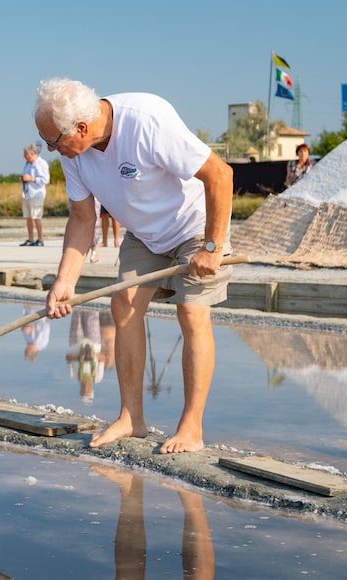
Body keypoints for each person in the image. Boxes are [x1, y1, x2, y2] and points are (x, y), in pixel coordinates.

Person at [35, 77, 234, 454]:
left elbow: (220, 175)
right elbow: (81, 218)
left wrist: (212, 247)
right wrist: (65, 281)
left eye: (53, 142)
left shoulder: (146, 120)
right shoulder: (73, 154)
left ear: (80, 127)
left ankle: (191, 427)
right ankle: (132, 419)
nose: (50, 150)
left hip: (194, 226)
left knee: (191, 313)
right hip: (145, 235)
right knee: (123, 306)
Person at [19, 144, 50, 246]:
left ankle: (40, 239)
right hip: (27, 194)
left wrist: (32, 179)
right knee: (28, 217)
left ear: (32, 153)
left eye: (26, 154)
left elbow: (46, 179)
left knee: (37, 217)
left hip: (37, 194)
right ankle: (30, 239)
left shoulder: (42, 163)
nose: (24, 156)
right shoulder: (27, 164)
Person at [87, 198, 121, 263]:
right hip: (103, 194)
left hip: (113, 192)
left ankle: (116, 240)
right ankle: (104, 241)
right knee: (104, 215)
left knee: (115, 215)